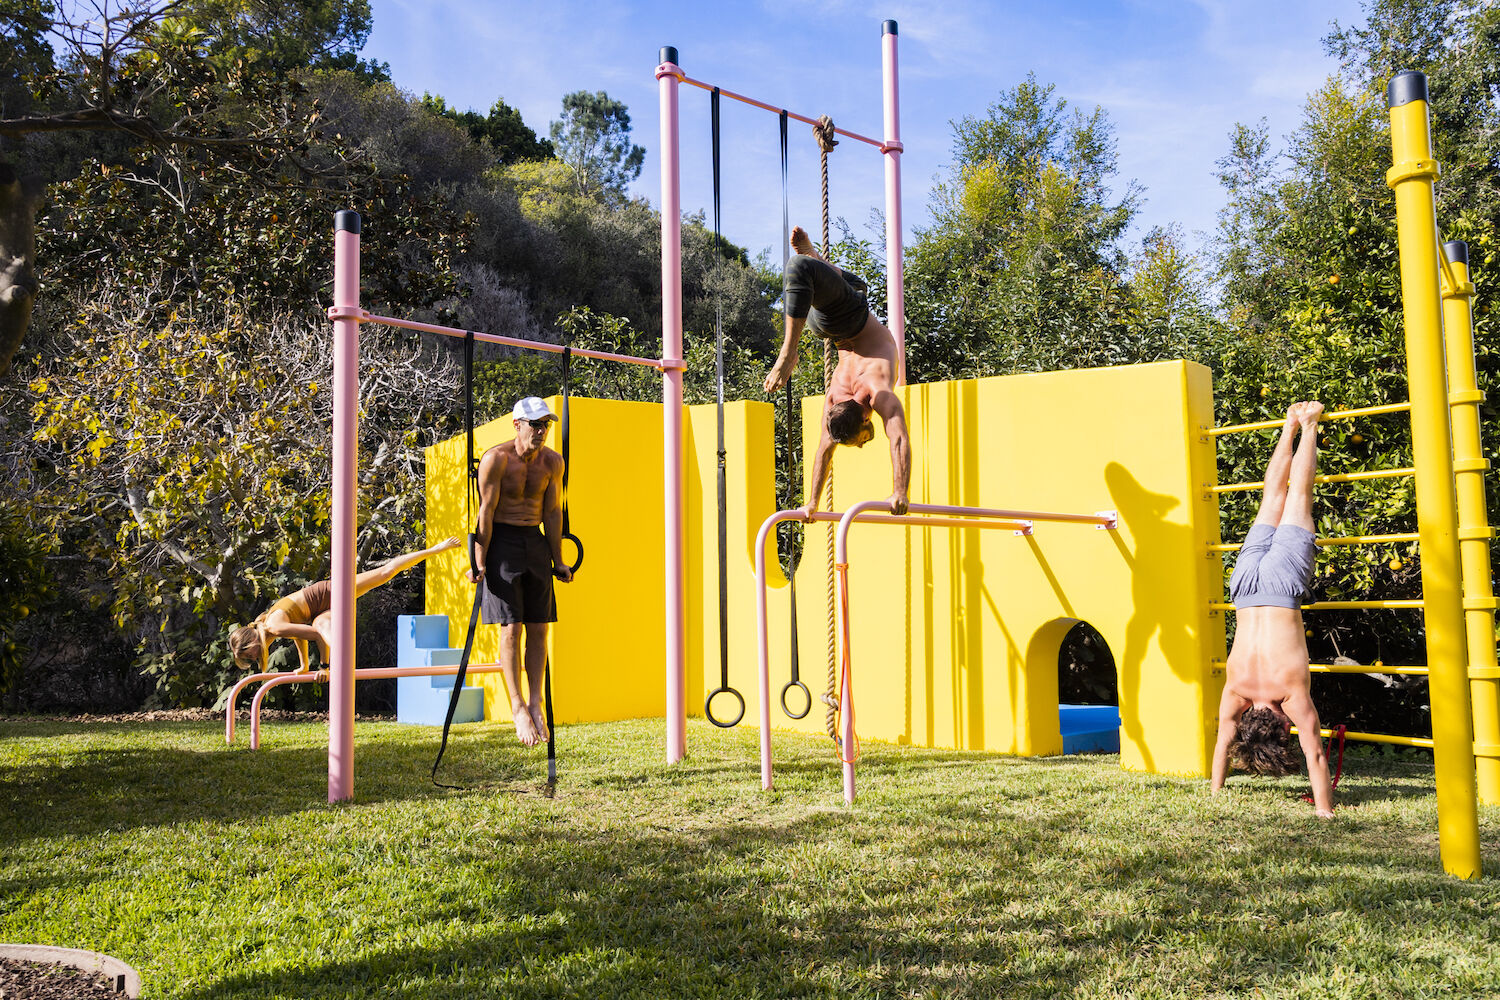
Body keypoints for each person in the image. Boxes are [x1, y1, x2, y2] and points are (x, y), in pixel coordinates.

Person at [1210, 401, 1335, 817]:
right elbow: (1222, 742)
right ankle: (1288, 423)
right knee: (1272, 496)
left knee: (1298, 494)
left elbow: (1315, 754)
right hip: (1244, 589)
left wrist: (1324, 810)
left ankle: (1309, 423)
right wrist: (1215, 790)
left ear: (1283, 728)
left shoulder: (1291, 695)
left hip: (1282, 586)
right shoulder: (1235, 692)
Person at [764, 226, 910, 517]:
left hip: (843, 321)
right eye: (864, 440)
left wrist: (900, 491)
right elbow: (827, 451)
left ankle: (789, 348)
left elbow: (895, 437)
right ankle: (816, 261)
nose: (861, 445)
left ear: (866, 418)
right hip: (833, 323)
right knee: (850, 284)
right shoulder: (852, 397)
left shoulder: (863, 397)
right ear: (866, 417)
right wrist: (899, 491)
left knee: (806, 270)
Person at [468, 396, 574, 747]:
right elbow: (486, 512)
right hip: (502, 543)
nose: (541, 431)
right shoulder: (495, 459)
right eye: (535, 424)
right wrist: (478, 560)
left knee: (539, 626)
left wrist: (558, 559)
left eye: (546, 425)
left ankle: (535, 702)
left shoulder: (552, 462)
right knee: (511, 627)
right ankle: (516, 707)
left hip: (535, 542)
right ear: (517, 425)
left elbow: (553, 512)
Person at [228, 536, 462, 674]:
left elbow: (315, 636)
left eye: (249, 654)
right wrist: (305, 668)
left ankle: (435, 549)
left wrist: (323, 666)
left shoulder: (274, 627)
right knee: (322, 623)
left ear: (253, 641)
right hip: (319, 610)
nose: (254, 658)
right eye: (250, 659)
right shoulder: (272, 627)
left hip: (328, 592)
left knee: (385, 573)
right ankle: (340, 662)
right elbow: (300, 636)